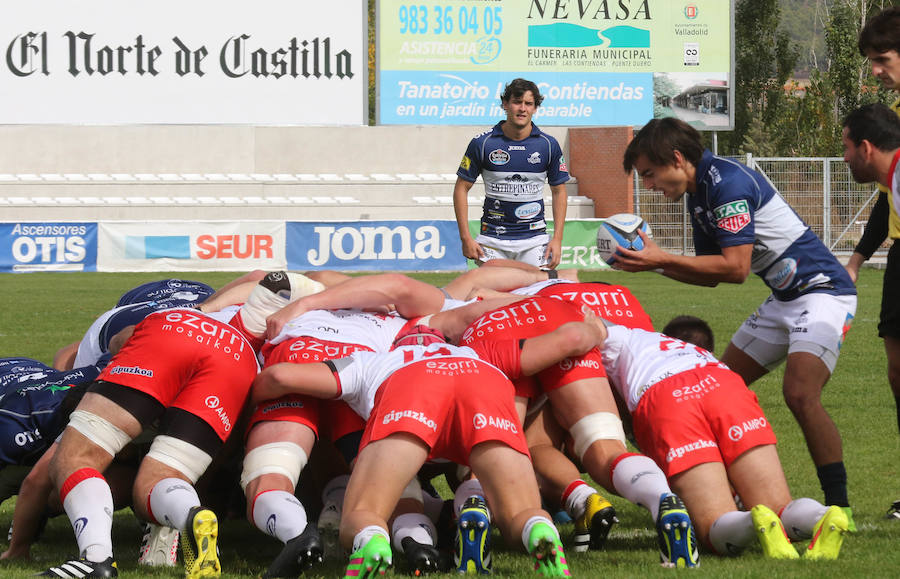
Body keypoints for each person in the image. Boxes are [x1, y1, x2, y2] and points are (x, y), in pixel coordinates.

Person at [619, 117, 859, 524]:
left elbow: (735, 268)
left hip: (823, 292)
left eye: (649, 174)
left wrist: (661, 259)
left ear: (677, 158)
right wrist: (653, 267)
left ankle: (841, 507)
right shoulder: (700, 195)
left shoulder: (726, 182)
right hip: (783, 299)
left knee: (800, 394)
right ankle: (725, 491)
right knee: (714, 388)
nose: (648, 185)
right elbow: (711, 276)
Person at [250, 319, 619, 577]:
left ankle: (373, 542)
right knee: (519, 512)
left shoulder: (371, 358)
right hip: (483, 387)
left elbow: (280, 376)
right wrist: (594, 329)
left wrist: (254, 395)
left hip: (411, 390)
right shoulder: (479, 351)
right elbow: (567, 341)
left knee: (362, 514)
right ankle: (540, 532)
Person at [38, 271, 324, 579]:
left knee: (77, 457)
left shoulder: (188, 308)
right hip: (238, 360)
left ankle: (96, 559)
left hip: (173, 331)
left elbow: (122, 340)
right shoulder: (275, 331)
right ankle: (191, 516)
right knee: (159, 480)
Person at [598, 316, 850, 560]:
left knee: (711, 527)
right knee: (780, 507)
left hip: (667, 394)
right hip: (723, 381)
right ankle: (822, 516)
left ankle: (752, 522)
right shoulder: (665, 343)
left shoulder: (606, 336)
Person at [847, 6, 900, 520]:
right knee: (897, 374)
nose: (876, 72)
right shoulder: (895, 118)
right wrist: (860, 256)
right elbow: (887, 197)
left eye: (882, 60)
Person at [453, 78, 569, 269]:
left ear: (535, 108)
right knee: (496, 297)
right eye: (517, 102)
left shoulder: (548, 145)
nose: (522, 108)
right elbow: (461, 189)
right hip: (492, 241)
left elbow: (559, 191)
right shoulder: (482, 144)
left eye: (528, 103)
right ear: (505, 104)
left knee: (535, 297)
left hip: (535, 240)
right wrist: (465, 237)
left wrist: (557, 239)